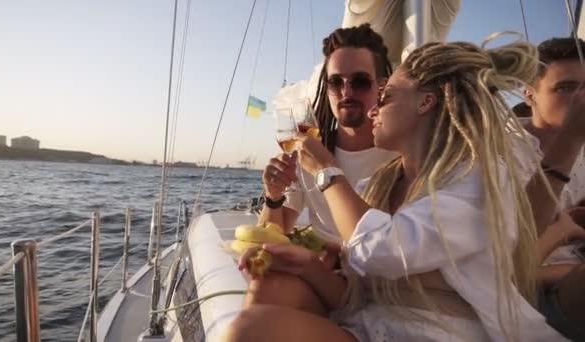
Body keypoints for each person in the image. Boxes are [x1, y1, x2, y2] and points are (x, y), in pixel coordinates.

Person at [225, 38, 567, 341]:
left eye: (384, 95)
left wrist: (327, 172)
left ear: (425, 102)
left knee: (252, 330)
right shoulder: (381, 183)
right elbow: (359, 287)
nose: (373, 107)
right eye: (335, 83)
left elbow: (380, 249)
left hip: (440, 331)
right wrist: (309, 264)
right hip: (371, 322)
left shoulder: (475, 182)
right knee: (268, 294)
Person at [249, 24, 396, 311]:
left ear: (382, 86)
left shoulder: (400, 154)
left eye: (360, 82)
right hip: (321, 277)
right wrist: (274, 195)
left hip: (377, 286)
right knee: (260, 293)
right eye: (336, 82)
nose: (346, 92)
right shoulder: (311, 150)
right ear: (325, 88)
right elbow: (273, 232)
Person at [518, 37, 585, 340]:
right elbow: (504, 262)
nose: (581, 99)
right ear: (529, 94)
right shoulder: (496, 150)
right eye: (566, 88)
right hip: (524, 298)